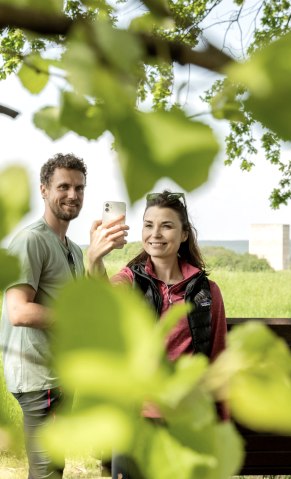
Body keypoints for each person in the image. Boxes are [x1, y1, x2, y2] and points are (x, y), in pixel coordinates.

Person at [0, 153, 128, 479]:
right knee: (47, 471)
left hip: (60, 376)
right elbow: (18, 310)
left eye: (80, 188)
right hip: (40, 378)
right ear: (44, 190)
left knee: (52, 468)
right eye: (64, 186)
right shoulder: (31, 240)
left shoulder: (72, 248)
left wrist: (96, 256)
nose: (73, 195)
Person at [87, 191, 228, 479]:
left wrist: (221, 427)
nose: (155, 234)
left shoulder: (206, 292)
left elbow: (218, 360)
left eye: (166, 225)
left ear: (185, 233)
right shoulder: (128, 281)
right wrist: (93, 262)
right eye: (148, 225)